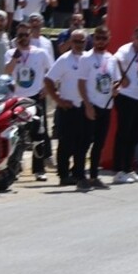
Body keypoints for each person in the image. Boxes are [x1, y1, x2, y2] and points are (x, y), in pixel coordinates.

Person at [3, 21, 54, 180]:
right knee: (15, 134)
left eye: (26, 35)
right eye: (20, 35)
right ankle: (14, 168)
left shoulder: (40, 53)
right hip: (16, 99)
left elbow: (51, 72)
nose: (23, 38)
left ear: (31, 35)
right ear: (16, 37)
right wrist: (15, 57)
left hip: (35, 97)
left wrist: (47, 88)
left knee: (38, 134)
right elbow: (6, 72)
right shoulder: (10, 53)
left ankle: (39, 169)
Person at [44, 28, 87, 187]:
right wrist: (58, 100)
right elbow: (48, 81)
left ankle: (78, 173)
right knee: (66, 144)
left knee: (83, 142)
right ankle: (63, 174)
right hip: (68, 108)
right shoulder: (64, 60)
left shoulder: (88, 58)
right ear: (70, 42)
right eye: (75, 41)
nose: (78, 44)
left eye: (81, 41)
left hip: (85, 107)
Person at [77, 26, 116, 189]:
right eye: (98, 38)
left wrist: (116, 90)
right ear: (93, 39)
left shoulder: (111, 58)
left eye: (104, 38)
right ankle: (80, 176)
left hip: (106, 106)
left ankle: (94, 175)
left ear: (109, 39)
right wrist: (87, 105)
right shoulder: (86, 58)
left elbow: (115, 82)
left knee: (99, 144)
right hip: (91, 105)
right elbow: (81, 84)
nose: (100, 41)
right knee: (85, 142)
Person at [112, 25, 138, 184]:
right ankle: (119, 170)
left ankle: (129, 168)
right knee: (124, 133)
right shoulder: (125, 50)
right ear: (133, 37)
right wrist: (121, 77)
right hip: (126, 96)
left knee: (135, 134)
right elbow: (114, 60)